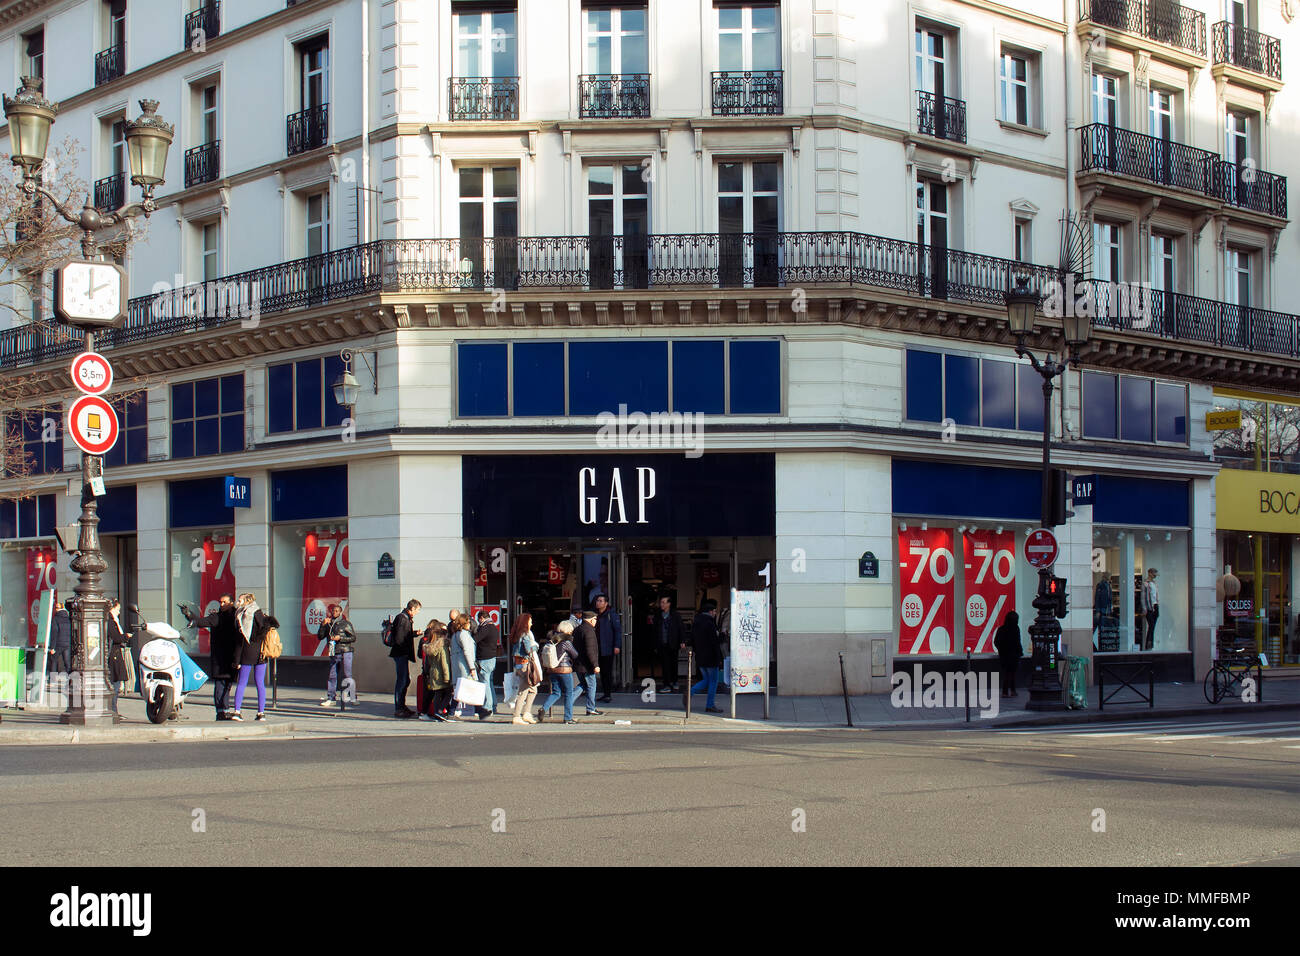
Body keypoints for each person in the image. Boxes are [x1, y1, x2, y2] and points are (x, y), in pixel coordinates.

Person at [186, 593, 239, 719]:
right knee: (221, 683)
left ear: (231, 602)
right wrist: (189, 615)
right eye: (220, 602)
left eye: (224, 602)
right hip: (220, 658)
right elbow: (201, 622)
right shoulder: (216, 617)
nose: (222, 604)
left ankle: (225, 709)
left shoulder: (237, 616)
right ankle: (221, 711)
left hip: (232, 657)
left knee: (228, 684)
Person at [231, 592, 279, 721]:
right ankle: (260, 713)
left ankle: (238, 711)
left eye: (240, 600)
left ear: (247, 601)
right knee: (258, 683)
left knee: (244, 682)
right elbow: (265, 628)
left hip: (249, 651)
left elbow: (240, 638)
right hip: (259, 652)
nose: (238, 602)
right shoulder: (250, 612)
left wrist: (237, 658)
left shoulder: (243, 614)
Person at [537, 623, 579, 724]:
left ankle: (543, 708)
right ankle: (568, 718)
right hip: (564, 670)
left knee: (556, 692)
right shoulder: (566, 642)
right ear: (568, 631)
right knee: (569, 693)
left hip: (552, 670)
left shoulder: (551, 640)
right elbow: (575, 654)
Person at [318, 603, 357, 707]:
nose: (334, 613)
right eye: (333, 611)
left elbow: (353, 637)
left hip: (345, 651)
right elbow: (320, 636)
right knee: (332, 675)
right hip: (334, 651)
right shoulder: (328, 623)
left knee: (347, 674)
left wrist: (340, 638)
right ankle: (331, 697)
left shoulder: (346, 624)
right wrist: (322, 625)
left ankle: (352, 696)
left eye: (336, 611)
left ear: (340, 612)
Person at [688, 599, 723, 713]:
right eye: (714, 611)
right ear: (709, 612)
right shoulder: (710, 623)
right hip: (711, 657)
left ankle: (690, 692)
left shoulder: (696, 622)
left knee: (707, 680)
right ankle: (710, 705)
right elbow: (715, 642)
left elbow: (692, 640)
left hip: (700, 657)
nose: (715, 613)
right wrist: (719, 658)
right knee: (713, 681)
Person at [388, 599, 420, 718]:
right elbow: (400, 637)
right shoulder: (402, 618)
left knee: (405, 680)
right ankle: (399, 707)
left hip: (401, 653)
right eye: (417, 610)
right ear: (412, 608)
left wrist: (415, 633)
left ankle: (402, 706)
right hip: (400, 653)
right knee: (402, 680)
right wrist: (405, 650)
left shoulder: (405, 617)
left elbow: (404, 634)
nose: (417, 612)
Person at [509, 614, 541, 725]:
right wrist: (536, 645)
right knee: (524, 691)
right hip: (525, 665)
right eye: (530, 621)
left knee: (533, 689)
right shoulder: (526, 634)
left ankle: (527, 713)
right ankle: (517, 715)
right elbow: (529, 649)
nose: (531, 623)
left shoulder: (517, 634)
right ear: (525, 622)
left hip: (519, 664)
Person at [418, 621, 453, 721]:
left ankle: (438, 712)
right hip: (441, 673)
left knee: (437, 693)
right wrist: (447, 677)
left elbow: (427, 662)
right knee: (448, 692)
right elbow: (444, 663)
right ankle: (440, 711)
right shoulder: (443, 647)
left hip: (433, 673)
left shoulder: (430, 646)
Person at [473, 609, 502, 720]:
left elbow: (475, 639)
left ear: (482, 618)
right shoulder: (494, 627)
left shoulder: (485, 628)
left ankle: (488, 707)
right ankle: (493, 705)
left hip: (484, 659)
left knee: (485, 683)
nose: (479, 622)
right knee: (489, 683)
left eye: (479, 620)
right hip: (492, 658)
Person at [593, 593, 622, 703]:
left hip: (608, 647)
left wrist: (617, 645)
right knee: (601, 671)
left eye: (600, 601)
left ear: (606, 603)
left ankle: (608, 694)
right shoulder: (595, 615)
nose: (598, 602)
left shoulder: (611, 614)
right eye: (597, 600)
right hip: (597, 647)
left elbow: (617, 631)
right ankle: (604, 693)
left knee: (607, 671)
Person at [573, 609, 603, 716]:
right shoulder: (589, 631)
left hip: (578, 664)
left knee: (583, 685)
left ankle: (569, 702)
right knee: (591, 685)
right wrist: (595, 665)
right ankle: (590, 708)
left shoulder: (577, 629)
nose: (596, 621)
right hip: (587, 665)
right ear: (590, 620)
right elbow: (590, 650)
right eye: (595, 619)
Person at [655, 594, 685, 694]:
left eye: (664, 602)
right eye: (661, 602)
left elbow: (681, 628)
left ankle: (675, 681)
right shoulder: (658, 615)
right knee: (664, 664)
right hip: (662, 643)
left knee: (673, 663)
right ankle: (666, 684)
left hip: (673, 642)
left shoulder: (675, 615)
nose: (661, 604)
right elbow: (654, 630)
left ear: (669, 604)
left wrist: (682, 641)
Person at [993, 610, 1022, 698]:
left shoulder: (1001, 629)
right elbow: (1017, 642)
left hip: (1004, 655)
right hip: (1013, 655)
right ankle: (1012, 690)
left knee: (1006, 673)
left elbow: (996, 641)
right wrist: (1019, 652)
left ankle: (1005, 692)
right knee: (1012, 674)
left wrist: (1001, 650)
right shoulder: (1016, 629)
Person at [107, 600, 130, 698]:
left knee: (116, 682)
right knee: (114, 683)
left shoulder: (112, 620)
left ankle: (114, 707)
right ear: (112, 609)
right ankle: (113, 708)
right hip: (113, 654)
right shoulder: (111, 621)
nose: (119, 612)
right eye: (118, 609)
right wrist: (126, 636)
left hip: (114, 653)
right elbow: (115, 637)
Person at [47, 600, 71, 674]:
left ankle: (53, 679)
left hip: (58, 644)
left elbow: (54, 633)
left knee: (54, 661)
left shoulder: (56, 619)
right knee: (67, 662)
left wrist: (52, 647)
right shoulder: (69, 618)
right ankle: (70, 679)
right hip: (67, 644)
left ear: (57, 609)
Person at [1142, 568, 1160, 651]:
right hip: (1149, 607)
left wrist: (1157, 604)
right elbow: (1143, 597)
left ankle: (1150, 645)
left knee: (1152, 626)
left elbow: (1155, 595)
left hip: (1155, 606)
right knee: (1151, 625)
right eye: (1154, 574)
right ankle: (1148, 645)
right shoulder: (1145, 583)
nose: (1155, 576)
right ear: (1149, 573)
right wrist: (1144, 608)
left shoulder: (1155, 583)